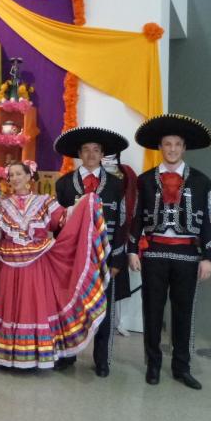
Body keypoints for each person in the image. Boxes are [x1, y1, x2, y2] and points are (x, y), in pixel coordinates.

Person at [0, 160, 110, 370]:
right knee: (10, 306)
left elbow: (63, 220)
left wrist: (84, 202)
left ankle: (34, 354)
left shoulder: (45, 201)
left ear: (30, 177)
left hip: (36, 264)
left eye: (18, 174)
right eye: (11, 175)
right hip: (9, 263)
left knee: (33, 305)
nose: (14, 178)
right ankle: (9, 354)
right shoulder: (1, 204)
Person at [127, 114, 211, 389]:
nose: (172, 149)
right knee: (152, 312)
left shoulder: (200, 180)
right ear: (160, 148)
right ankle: (153, 365)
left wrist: (208, 257)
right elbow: (137, 217)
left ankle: (181, 367)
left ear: (184, 148)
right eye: (167, 144)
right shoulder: (145, 180)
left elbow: (207, 222)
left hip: (188, 255)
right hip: (153, 253)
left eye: (177, 144)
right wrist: (131, 250)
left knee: (183, 313)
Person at [54, 126, 129, 377]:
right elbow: (57, 225)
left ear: (102, 154)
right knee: (71, 306)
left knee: (104, 310)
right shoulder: (64, 184)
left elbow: (122, 223)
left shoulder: (117, 185)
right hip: (72, 257)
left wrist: (117, 258)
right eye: (86, 150)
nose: (91, 154)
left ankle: (102, 360)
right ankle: (68, 355)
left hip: (105, 258)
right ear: (79, 153)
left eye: (96, 150)